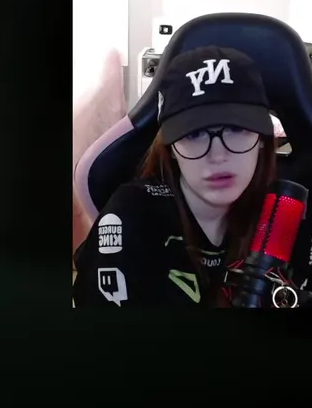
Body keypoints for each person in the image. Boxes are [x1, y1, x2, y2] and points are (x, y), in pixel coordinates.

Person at [73, 46, 280, 308]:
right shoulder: (133, 217)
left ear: (262, 138)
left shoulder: (286, 215)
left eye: (237, 128)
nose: (218, 155)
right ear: (170, 147)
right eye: (194, 134)